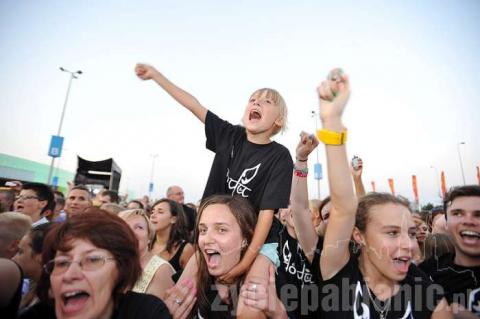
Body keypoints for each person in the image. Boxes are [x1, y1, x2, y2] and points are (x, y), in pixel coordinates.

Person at [136, 64, 293, 318]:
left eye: (266, 101)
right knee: (179, 297)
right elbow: (193, 104)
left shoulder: (281, 156)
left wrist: (242, 265)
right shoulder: (229, 135)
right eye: (252, 99)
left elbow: (266, 216)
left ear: (278, 120)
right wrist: (156, 76)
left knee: (251, 306)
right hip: (216, 233)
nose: (256, 103)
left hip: (259, 241)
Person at [293, 69, 451, 318]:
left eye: (410, 233)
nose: (408, 244)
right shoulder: (338, 270)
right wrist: (332, 122)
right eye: (391, 232)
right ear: (359, 235)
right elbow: (345, 208)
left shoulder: (422, 289)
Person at [18, 208, 196, 319]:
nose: (70, 274)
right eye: (62, 263)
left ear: (120, 272)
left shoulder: (146, 310)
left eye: (92, 260)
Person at [195, 195, 287, 318]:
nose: (207, 239)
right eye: (203, 230)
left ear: (245, 239)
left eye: (221, 230)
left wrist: (279, 314)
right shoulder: (194, 280)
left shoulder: (269, 284)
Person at [420, 185, 480, 317]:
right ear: (446, 223)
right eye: (457, 213)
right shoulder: (426, 273)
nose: (468, 221)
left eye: (478, 214)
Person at [119, 209, 175, 300]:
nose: (132, 232)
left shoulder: (161, 270)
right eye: (125, 227)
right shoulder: (113, 264)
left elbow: (159, 312)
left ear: (149, 237)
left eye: (139, 227)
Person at [13, 223, 54, 312]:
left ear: (41, 257)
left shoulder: (49, 306)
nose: (13, 258)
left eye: (21, 252)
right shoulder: (34, 290)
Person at [150, 199, 194, 273]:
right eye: (152, 212)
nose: (153, 215)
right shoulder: (145, 242)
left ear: (173, 219)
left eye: (160, 212)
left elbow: (190, 281)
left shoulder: (185, 249)